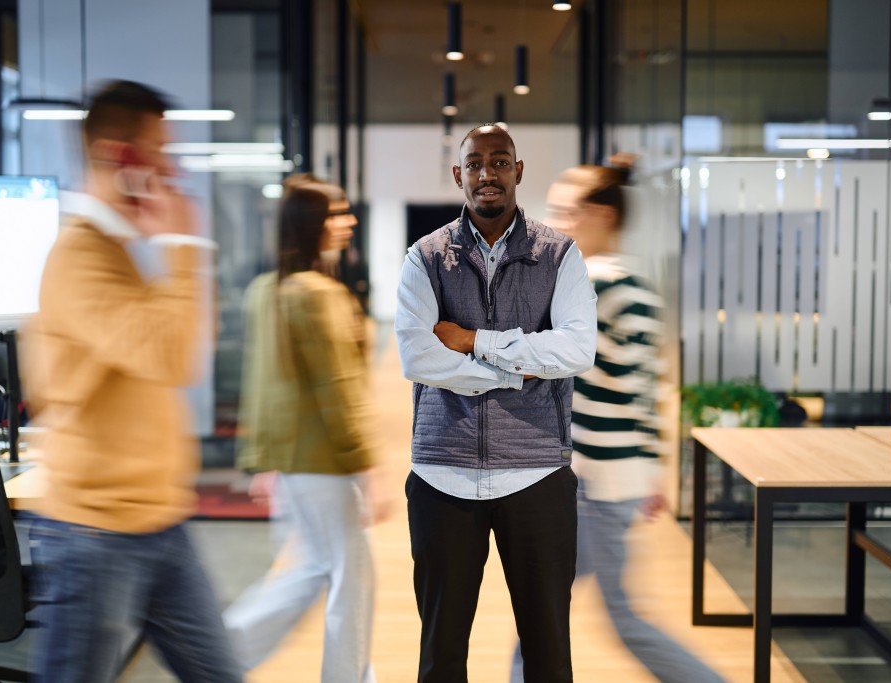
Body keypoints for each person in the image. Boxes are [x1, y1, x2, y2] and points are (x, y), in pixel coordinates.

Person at [20, 80, 241, 683]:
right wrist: (182, 236)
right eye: (159, 151)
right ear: (121, 157)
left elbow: (181, 342)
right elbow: (173, 358)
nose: (170, 168)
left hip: (156, 520)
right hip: (95, 530)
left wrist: (172, 247)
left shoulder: (123, 255)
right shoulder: (79, 258)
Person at [395, 124, 598, 683]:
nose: (488, 173)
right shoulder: (426, 257)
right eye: (476, 163)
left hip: (536, 473)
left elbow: (578, 348)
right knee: (441, 655)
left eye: (500, 161)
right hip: (442, 473)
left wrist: (477, 341)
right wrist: (516, 372)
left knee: (549, 652)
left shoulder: (560, 254)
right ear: (459, 175)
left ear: (518, 170)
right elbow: (418, 358)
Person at [510, 164, 727, 683]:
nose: (550, 224)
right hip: (612, 478)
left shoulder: (594, 287)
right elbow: (646, 389)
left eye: (564, 212)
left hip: (595, 483)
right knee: (543, 614)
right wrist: (649, 468)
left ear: (600, 215)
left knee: (619, 620)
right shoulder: (638, 288)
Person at [222, 178, 379, 683]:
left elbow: (264, 388)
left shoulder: (265, 291)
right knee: (349, 580)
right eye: (337, 213)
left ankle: (220, 652)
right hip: (323, 463)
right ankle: (220, 652)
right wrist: (364, 461)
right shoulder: (318, 294)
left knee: (318, 570)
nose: (348, 221)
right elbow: (339, 387)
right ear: (313, 225)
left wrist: (263, 458)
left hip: (296, 462)